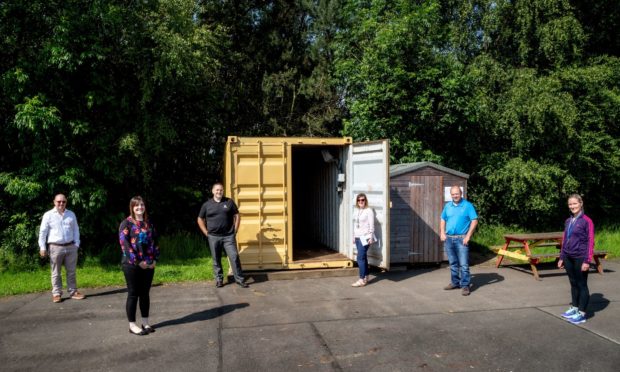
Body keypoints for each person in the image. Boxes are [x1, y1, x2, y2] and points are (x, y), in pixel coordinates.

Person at [119, 196, 159, 336]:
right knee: (133, 293)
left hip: (148, 264)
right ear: (132, 207)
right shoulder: (126, 224)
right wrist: (138, 262)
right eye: (137, 205)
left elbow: (155, 242)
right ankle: (132, 325)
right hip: (132, 265)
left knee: (145, 293)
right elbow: (125, 245)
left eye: (142, 205)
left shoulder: (149, 223)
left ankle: (145, 322)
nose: (140, 208)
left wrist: (155, 259)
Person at [197, 182, 248, 288]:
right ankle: (219, 279)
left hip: (228, 236)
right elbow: (200, 219)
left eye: (221, 190)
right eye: (217, 190)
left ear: (223, 191)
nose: (219, 191)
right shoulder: (207, 205)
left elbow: (237, 215)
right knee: (216, 258)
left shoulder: (229, 202)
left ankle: (239, 279)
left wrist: (235, 229)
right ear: (213, 191)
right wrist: (206, 232)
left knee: (234, 257)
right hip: (213, 236)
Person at [38, 194, 86, 303]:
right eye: (59, 201)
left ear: (66, 202)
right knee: (55, 272)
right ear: (54, 202)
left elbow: (76, 230)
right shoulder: (48, 215)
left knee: (71, 271)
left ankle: (73, 292)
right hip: (55, 247)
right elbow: (43, 232)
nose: (61, 203)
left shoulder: (71, 214)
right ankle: (56, 294)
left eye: (63, 202)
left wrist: (76, 244)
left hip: (71, 247)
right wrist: (42, 247)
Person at [558, 194, 594, 325]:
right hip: (568, 256)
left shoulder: (587, 221)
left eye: (575, 203)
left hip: (580, 256)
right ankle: (574, 307)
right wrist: (562, 257)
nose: (572, 206)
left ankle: (582, 313)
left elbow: (591, 241)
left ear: (581, 203)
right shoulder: (568, 221)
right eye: (570, 204)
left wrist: (587, 260)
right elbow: (565, 239)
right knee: (573, 283)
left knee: (582, 284)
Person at [440, 186, 478, 296]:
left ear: (461, 193)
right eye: (453, 194)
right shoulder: (448, 206)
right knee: (453, 263)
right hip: (449, 239)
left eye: (457, 193)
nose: (455, 196)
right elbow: (443, 219)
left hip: (462, 239)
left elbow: (474, 221)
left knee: (464, 264)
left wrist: (468, 236)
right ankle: (455, 282)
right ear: (450, 195)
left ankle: (465, 285)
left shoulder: (467, 206)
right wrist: (442, 233)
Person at [351, 193, 375, 287]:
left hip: (365, 237)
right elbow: (355, 225)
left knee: (359, 258)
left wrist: (371, 236)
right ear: (357, 201)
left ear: (365, 201)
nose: (361, 202)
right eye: (359, 200)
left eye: (363, 200)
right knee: (363, 257)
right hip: (357, 237)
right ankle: (366, 276)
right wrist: (353, 236)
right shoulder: (356, 211)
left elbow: (372, 225)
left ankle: (361, 279)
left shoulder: (368, 211)